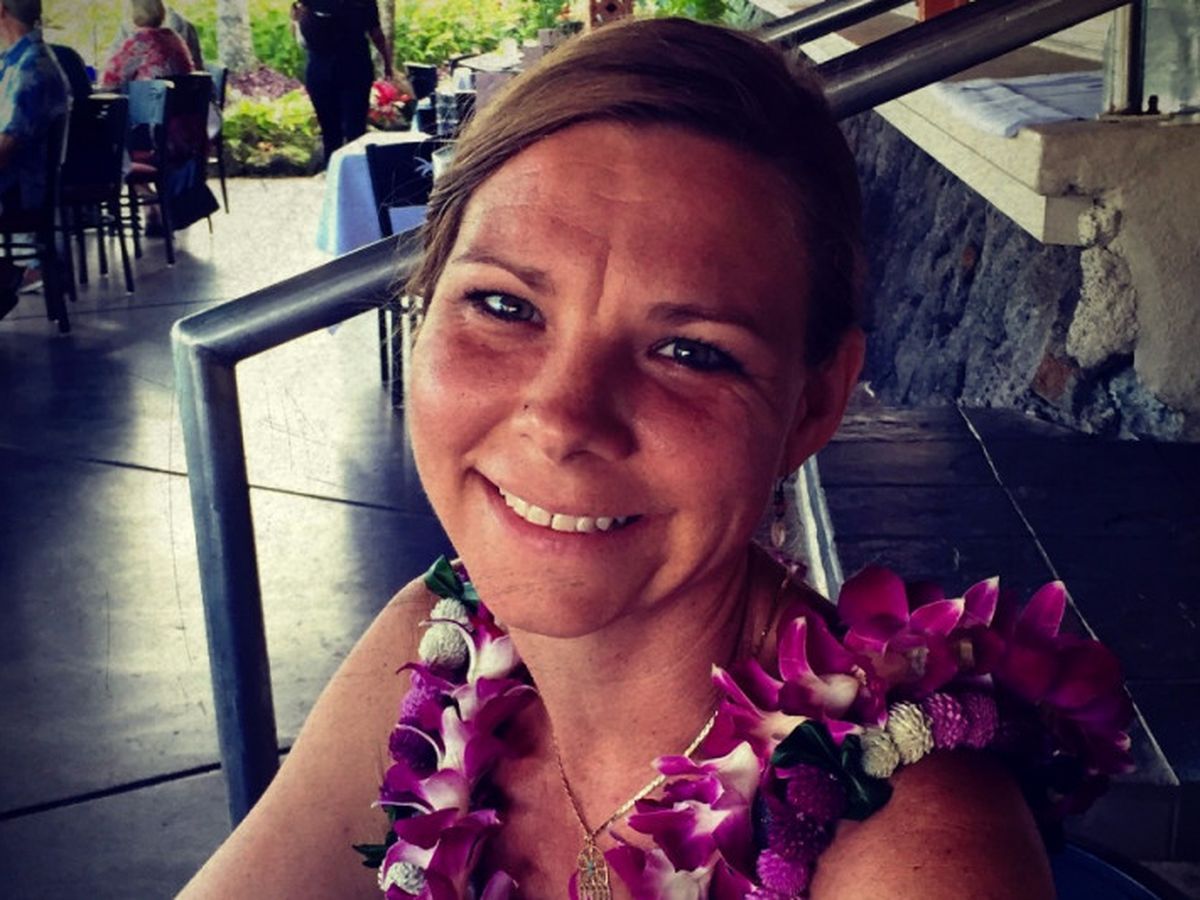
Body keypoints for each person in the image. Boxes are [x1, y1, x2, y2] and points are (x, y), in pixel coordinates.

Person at [178, 18, 1131, 899]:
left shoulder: (911, 845)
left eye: (690, 352)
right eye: (504, 305)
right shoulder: (439, 648)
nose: (561, 419)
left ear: (811, 405)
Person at [0, 0, 68, 320]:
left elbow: (6, 147)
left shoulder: (30, 68)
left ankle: (4, 279)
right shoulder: (20, 61)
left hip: (19, 192)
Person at [291, 0, 394, 167]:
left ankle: (340, 171)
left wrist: (387, 62)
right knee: (350, 128)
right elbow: (376, 33)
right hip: (348, 65)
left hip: (334, 67)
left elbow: (300, 22)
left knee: (336, 130)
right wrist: (387, 62)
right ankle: (352, 171)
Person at [99, 0, 194, 92]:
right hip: (180, 100)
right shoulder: (173, 39)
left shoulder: (140, 41)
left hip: (151, 99)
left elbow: (110, 81)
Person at [107, 2, 203, 72]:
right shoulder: (177, 37)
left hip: (143, 91)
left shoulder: (133, 39)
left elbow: (112, 76)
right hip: (183, 91)